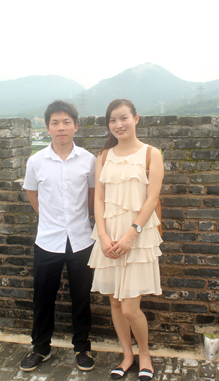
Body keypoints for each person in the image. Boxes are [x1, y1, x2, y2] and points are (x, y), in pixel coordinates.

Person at [88, 99, 164, 381]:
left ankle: (144, 354)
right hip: (108, 238)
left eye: (123, 118)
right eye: (112, 120)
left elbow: (152, 199)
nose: (118, 124)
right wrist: (103, 235)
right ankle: (127, 355)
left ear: (136, 118)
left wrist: (131, 235)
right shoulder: (103, 156)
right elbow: (98, 198)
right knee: (116, 304)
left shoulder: (151, 154)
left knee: (131, 307)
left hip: (138, 238)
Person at [21, 100, 96, 372]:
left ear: (76, 126)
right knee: (42, 298)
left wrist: (77, 217)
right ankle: (40, 348)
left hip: (81, 239)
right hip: (47, 240)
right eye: (55, 123)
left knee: (82, 297)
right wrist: (50, 218)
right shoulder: (36, 161)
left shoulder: (88, 160)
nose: (61, 127)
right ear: (47, 128)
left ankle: (82, 347)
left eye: (66, 122)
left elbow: (92, 196)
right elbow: (32, 194)